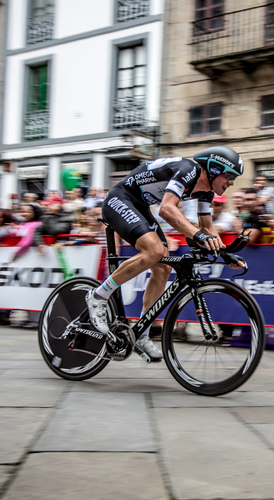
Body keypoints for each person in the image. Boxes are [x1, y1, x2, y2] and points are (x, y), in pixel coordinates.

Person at [85, 147, 245, 363]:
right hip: (120, 200)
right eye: (230, 176)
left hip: (140, 206)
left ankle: (141, 333)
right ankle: (98, 296)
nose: (232, 182)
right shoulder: (188, 170)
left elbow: (207, 227)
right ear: (215, 170)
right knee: (156, 251)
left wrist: (225, 254)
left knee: (163, 267)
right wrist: (198, 236)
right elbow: (167, 209)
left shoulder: (206, 192)